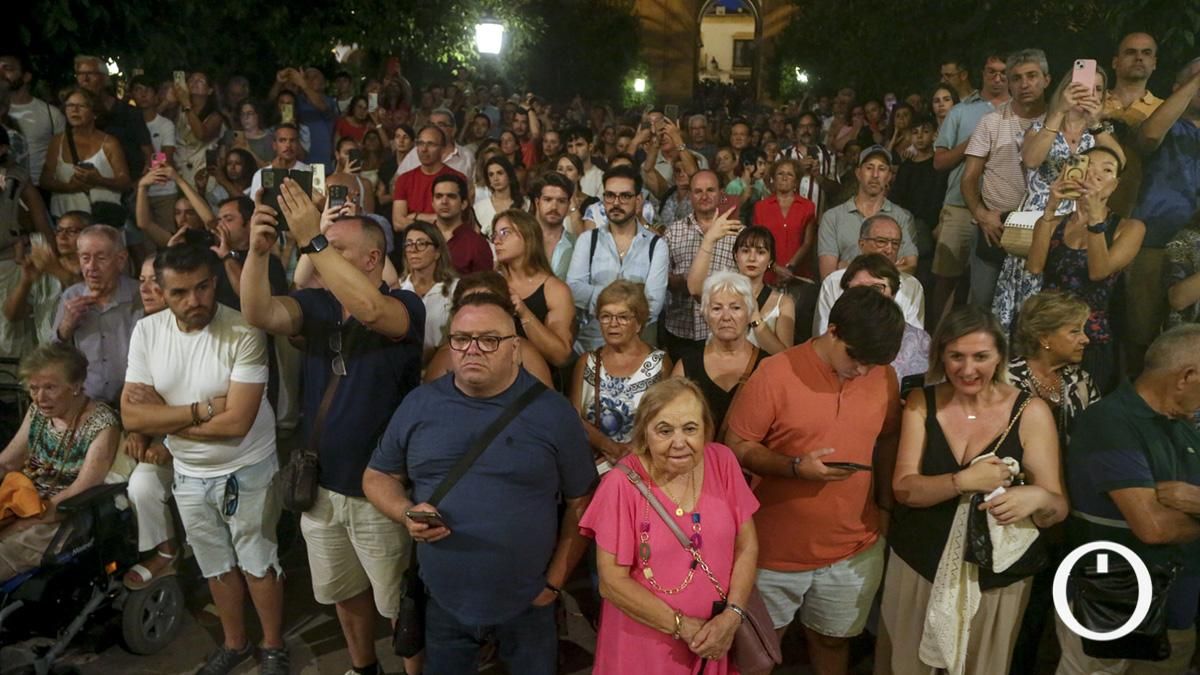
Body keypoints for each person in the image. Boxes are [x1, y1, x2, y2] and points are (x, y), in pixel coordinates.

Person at [241, 179, 424, 675]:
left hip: (380, 490)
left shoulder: (406, 306)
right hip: (321, 486)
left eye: (336, 250)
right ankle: (364, 668)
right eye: (321, 249)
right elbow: (258, 311)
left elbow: (370, 310)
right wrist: (258, 253)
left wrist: (312, 238)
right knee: (344, 592)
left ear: (371, 259)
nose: (321, 257)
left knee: (399, 604)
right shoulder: (318, 307)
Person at [363, 291, 596, 675]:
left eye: (489, 339)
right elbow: (378, 476)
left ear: (515, 349)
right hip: (444, 602)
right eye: (461, 339)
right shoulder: (420, 405)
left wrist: (553, 584)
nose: (472, 349)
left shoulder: (553, 413)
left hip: (528, 603)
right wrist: (404, 512)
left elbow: (582, 502)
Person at [122, 243, 287, 675]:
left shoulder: (244, 330)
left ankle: (273, 646)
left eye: (202, 288)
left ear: (214, 283)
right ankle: (235, 644)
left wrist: (165, 417)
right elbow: (132, 416)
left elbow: (238, 424)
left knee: (259, 563)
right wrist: (204, 409)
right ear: (161, 291)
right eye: (179, 292)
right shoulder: (147, 332)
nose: (193, 300)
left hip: (247, 467)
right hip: (189, 472)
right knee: (216, 566)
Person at [724, 287, 905, 675]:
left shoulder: (884, 376)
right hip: (772, 550)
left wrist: (885, 507)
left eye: (872, 363)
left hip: (854, 545)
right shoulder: (776, 372)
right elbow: (735, 446)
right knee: (759, 651)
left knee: (833, 641)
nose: (862, 371)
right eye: (855, 357)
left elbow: (889, 437)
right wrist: (793, 467)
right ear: (832, 330)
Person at [879, 305, 1066, 675]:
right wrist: (962, 482)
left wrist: (1039, 497)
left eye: (980, 357)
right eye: (956, 357)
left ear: (1000, 357)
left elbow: (1058, 507)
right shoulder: (921, 402)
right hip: (919, 564)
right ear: (940, 356)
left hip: (995, 580)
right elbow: (904, 489)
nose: (967, 369)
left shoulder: (1030, 411)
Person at [579, 377, 759, 673]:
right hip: (643, 647)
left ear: (705, 430)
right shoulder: (620, 485)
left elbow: (747, 544)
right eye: (664, 430)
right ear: (644, 433)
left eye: (690, 429)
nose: (679, 442)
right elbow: (612, 583)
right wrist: (683, 627)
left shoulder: (722, 461)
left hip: (715, 639)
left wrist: (732, 615)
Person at [1057, 325, 1200, 674]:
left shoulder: (1183, 427)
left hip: (1176, 615)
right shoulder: (1109, 422)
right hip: (1111, 611)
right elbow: (1153, 527)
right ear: (1185, 377)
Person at [990, 66, 1119, 335]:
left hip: (1081, 222)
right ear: (1065, 88)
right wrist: (1059, 111)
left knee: (1065, 302)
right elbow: (1031, 160)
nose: (1089, 93)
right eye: (1083, 86)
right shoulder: (1042, 126)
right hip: (1041, 217)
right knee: (1031, 296)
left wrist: (1095, 123)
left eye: (1097, 89)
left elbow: (1120, 164)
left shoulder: (1100, 133)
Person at [1024, 148, 1145, 393]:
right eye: (1089, 166)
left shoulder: (1129, 228)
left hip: (1091, 337)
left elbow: (1099, 272)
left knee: (1085, 405)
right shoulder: (1053, 223)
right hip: (1048, 333)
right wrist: (1050, 209)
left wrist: (1095, 220)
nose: (1096, 174)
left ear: (1115, 185)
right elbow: (1034, 267)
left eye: (1107, 170)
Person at [0, 343, 120, 581]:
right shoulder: (37, 411)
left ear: (75, 386)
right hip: (24, 499)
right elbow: (7, 463)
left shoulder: (102, 423)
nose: (39, 397)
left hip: (65, 514)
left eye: (50, 387)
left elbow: (82, 488)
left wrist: (25, 522)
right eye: (34, 388)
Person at [1126, 59, 1200, 377]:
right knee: (1141, 338)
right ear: (1177, 88)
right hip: (1155, 242)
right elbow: (1150, 136)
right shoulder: (1165, 125)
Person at [962, 49, 1050, 309]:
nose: (1025, 84)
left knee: (1036, 310)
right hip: (996, 226)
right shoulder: (991, 122)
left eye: (1032, 76)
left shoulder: (1059, 122)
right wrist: (981, 214)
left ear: (1047, 79)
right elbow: (969, 178)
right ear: (1009, 84)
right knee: (982, 304)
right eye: (1017, 78)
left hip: (1044, 226)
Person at [929, 55, 1009, 324]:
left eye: (1003, 73)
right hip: (960, 206)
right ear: (982, 74)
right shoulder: (960, 111)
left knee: (990, 283)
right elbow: (939, 162)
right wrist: (972, 143)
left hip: (1002, 212)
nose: (997, 78)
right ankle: (937, 335)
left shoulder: (1020, 111)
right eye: (991, 72)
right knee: (947, 279)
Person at [119, 255, 179, 590]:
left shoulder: (194, 328)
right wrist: (137, 431)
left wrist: (165, 440)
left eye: (154, 280)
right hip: (155, 430)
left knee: (144, 482)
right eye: (141, 280)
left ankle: (173, 554)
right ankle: (161, 548)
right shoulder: (144, 328)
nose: (145, 288)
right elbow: (135, 395)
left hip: (201, 437)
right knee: (133, 483)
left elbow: (200, 403)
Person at [570, 280, 671, 471]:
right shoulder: (586, 362)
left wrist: (630, 452)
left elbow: (666, 417)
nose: (613, 324)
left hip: (645, 463)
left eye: (623, 317)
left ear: (639, 323)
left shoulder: (659, 363)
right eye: (606, 316)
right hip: (595, 465)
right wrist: (610, 447)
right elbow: (573, 418)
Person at [568, 165, 669, 354]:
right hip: (591, 345)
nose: (616, 202)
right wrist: (629, 299)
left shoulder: (656, 245)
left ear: (638, 200)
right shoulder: (588, 240)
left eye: (624, 196)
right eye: (610, 195)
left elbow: (653, 304)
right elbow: (574, 289)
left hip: (639, 345)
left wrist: (602, 303)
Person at [50, 224, 141, 406]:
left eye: (101, 258)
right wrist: (66, 327)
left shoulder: (139, 295)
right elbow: (52, 356)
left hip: (133, 401)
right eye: (85, 258)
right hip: (84, 402)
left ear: (121, 259)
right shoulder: (71, 296)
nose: (91, 267)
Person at [672, 271, 768, 431]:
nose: (726, 317)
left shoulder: (767, 366)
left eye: (735, 308)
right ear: (705, 314)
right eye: (717, 308)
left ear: (749, 313)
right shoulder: (687, 366)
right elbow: (672, 420)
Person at [421, 272, 554, 387]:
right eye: (469, 302)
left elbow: (547, 403)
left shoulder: (526, 354)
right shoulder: (445, 358)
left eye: (488, 302)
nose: (479, 311)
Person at [689, 226, 796, 355]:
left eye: (760, 252)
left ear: (770, 260)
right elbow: (695, 290)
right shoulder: (719, 291)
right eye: (745, 251)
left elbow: (785, 355)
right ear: (736, 255)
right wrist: (709, 240)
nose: (752, 258)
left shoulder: (783, 303)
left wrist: (755, 318)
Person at [817, 145, 918, 279]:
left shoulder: (902, 217)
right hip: (846, 291)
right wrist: (889, 268)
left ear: (889, 176)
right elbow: (828, 274)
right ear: (858, 173)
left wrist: (850, 267)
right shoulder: (832, 217)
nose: (875, 175)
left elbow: (910, 266)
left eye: (882, 169)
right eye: (869, 168)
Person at [493, 209, 575, 368]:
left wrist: (523, 312)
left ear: (528, 236)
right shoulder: (492, 284)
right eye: (494, 235)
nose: (497, 241)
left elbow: (561, 356)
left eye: (505, 233)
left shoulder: (555, 289)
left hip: (540, 375)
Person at [815, 214, 925, 333]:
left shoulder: (911, 285)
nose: (889, 250)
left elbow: (915, 338)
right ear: (862, 244)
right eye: (881, 242)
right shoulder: (834, 281)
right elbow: (823, 333)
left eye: (895, 244)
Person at [40, 88, 131, 219]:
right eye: (70, 105)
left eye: (81, 106)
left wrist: (99, 180)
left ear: (94, 112)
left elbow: (125, 182)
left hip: (102, 220)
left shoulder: (110, 143)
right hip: (65, 220)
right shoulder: (57, 141)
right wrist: (70, 187)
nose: (74, 110)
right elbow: (45, 180)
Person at [1, 52, 66, 185]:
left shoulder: (51, 114)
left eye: (8, 68)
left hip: (38, 187)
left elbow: (63, 156)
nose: (1, 74)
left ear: (26, 76)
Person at [399, 222, 458, 362]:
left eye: (421, 243)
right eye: (409, 244)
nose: (413, 250)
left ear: (437, 252)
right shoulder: (399, 287)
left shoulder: (455, 288)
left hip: (443, 362)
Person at [391, 125, 467, 231]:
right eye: (420, 143)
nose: (424, 149)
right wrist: (435, 219)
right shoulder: (404, 179)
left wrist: (416, 216)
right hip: (413, 240)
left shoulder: (457, 178)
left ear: (443, 149)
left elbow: (456, 220)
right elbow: (398, 223)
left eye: (431, 144)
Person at [753, 158, 817, 281]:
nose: (784, 177)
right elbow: (757, 242)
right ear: (773, 178)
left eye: (789, 174)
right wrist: (774, 267)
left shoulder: (808, 206)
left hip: (797, 275)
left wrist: (790, 267)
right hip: (767, 275)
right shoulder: (761, 207)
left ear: (796, 181)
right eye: (780, 174)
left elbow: (808, 243)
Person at [134, 162, 215, 248]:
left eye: (189, 213)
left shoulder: (211, 236)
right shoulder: (173, 240)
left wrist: (178, 179)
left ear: (200, 217)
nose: (182, 218)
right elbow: (144, 224)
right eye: (177, 213)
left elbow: (210, 220)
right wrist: (142, 186)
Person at [170, 71, 225, 186]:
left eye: (200, 81)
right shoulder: (178, 109)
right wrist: (167, 102)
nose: (195, 83)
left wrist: (187, 105)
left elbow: (201, 135)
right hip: (178, 171)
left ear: (209, 90)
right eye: (191, 80)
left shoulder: (215, 116)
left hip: (202, 173)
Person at [429, 173, 491, 276]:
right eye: (439, 196)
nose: (444, 201)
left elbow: (484, 283)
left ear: (463, 204)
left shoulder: (477, 244)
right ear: (432, 203)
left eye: (451, 196)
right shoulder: (420, 238)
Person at [530, 172, 576, 278]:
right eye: (548, 200)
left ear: (568, 205)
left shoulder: (578, 245)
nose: (554, 207)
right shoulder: (521, 239)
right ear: (537, 203)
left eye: (561, 201)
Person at [245, 124, 310, 198]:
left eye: (292, 140)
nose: (288, 145)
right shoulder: (261, 174)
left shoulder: (308, 172)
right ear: (274, 145)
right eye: (282, 140)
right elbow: (259, 202)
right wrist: (275, 172)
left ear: (298, 145)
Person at [472, 155, 525, 238]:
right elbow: (477, 239)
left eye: (500, 173)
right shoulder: (480, 207)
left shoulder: (526, 203)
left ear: (509, 175)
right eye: (491, 175)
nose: (495, 178)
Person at [223, 101, 275, 165]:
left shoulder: (269, 138)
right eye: (242, 114)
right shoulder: (231, 135)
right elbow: (223, 163)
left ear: (258, 115)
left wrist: (247, 149)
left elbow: (268, 168)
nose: (245, 117)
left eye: (250, 113)